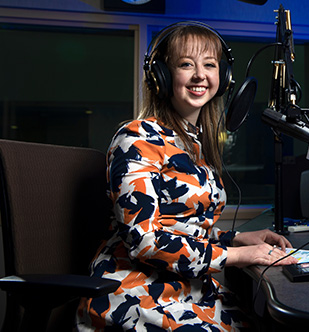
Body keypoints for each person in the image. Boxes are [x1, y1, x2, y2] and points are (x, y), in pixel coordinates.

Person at [77, 23, 297, 331]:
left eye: (209, 65)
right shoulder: (137, 138)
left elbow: (182, 227)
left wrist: (234, 238)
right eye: (185, 64)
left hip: (190, 291)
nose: (199, 75)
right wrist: (238, 254)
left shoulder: (195, 147)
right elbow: (145, 241)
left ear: (223, 78)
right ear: (162, 76)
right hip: (136, 294)